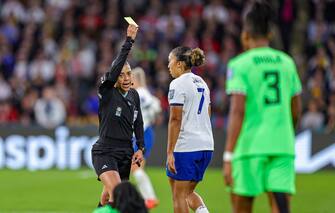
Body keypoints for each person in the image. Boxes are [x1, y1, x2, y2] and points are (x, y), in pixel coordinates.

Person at [222, 1, 302, 213]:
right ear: (270, 32)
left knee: (242, 207)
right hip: (282, 146)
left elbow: (238, 111)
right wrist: (284, 132)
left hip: (249, 148)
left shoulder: (240, 64)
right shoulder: (287, 63)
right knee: (281, 207)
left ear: (246, 33)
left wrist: (228, 155)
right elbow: (296, 111)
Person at [91, 24, 145, 206]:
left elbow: (138, 122)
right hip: (105, 151)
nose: (127, 78)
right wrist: (129, 41)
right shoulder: (107, 91)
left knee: (107, 198)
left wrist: (140, 148)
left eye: (129, 74)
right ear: (115, 78)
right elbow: (114, 71)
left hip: (125, 152)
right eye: (122, 75)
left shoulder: (134, 95)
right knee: (118, 196)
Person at [166, 46, 214, 213]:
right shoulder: (202, 83)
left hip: (186, 147)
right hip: (206, 145)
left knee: (178, 195)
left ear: (179, 64)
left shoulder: (177, 84)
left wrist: (170, 151)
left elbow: (175, 119)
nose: (168, 66)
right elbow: (208, 112)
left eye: (170, 62)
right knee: (187, 192)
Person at [131, 67, 161, 209]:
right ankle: (146, 198)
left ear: (135, 79)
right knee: (137, 168)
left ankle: (150, 198)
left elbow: (152, 107)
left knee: (136, 169)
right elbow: (156, 107)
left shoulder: (140, 93)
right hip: (144, 133)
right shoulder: (146, 93)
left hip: (142, 134)